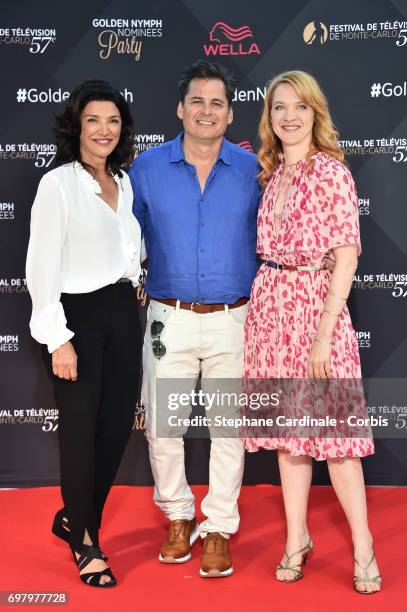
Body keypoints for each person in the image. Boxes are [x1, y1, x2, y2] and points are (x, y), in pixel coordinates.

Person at [243, 70, 382, 594]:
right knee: (287, 438)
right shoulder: (272, 173)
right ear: (270, 116)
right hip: (271, 311)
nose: (290, 116)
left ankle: (364, 547)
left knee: (339, 440)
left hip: (316, 312)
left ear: (315, 113)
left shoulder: (330, 172)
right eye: (280, 107)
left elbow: (346, 258)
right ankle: (296, 538)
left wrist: (323, 334)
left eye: (300, 106)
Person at [129, 60, 260, 578]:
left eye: (218, 103)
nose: (207, 111)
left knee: (229, 429)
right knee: (163, 428)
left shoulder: (254, 170)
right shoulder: (146, 169)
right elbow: (125, 239)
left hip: (235, 320)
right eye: (198, 101)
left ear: (229, 115)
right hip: (169, 318)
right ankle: (179, 517)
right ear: (181, 109)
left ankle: (220, 527)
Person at [26, 80, 143, 587]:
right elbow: (41, 267)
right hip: (79, 319)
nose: (104, 130)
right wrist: (58, 337)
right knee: (79, 434)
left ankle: (76, 517)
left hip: (122, 312)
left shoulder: (124, 179)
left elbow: (125, 249)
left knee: (115, 428)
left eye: (113, 121)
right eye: (93, 120)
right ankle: (86, 543)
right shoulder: (58, 185)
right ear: (76, 126)